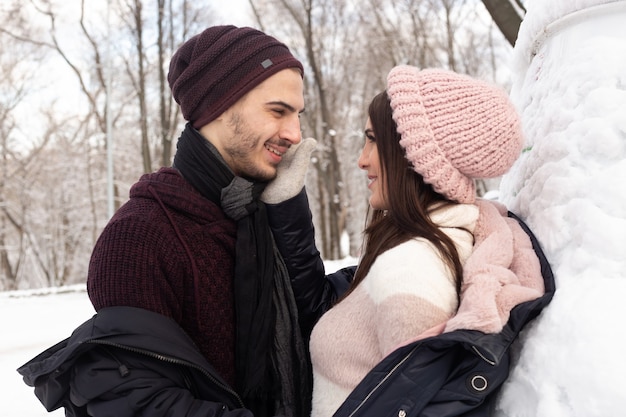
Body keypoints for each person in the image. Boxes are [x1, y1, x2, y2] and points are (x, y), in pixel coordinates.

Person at [17, 25, 341, 417]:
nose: (294, 134)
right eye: (277, 111)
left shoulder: (260, 215)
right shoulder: (141, 236)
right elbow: (138, 402)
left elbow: (316, 323)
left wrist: (288, 212)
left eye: (297, 115)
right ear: (220, 106)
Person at [266, 65, 555, 417]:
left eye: (372, 139)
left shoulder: (411, 269)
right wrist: (285, 207)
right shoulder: (438, 240)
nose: (361, 160)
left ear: (415, 158)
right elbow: (325, 302)